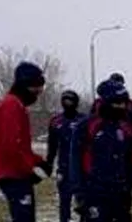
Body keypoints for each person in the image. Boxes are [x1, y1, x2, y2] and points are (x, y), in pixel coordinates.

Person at [0, 62, 51, 222]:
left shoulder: (17, 106)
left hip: (16, 173)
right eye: (36, 88)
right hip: (13, 174)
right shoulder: (11, 106)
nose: (38, 92)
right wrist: (30, 169)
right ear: (25, 85)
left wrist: (38, 162)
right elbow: (10, 146)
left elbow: (21, 146)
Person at [73, 79, 132, 222]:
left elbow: (128, 160)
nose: (121, 107)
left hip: (120, 193)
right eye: (117, 103)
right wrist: (80, 192)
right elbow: (75, 161)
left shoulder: (125, 127)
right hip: (95, 192)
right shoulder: (87, 126)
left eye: (124, 104)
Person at [46, 89, 88, 222]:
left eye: (70, 100)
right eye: (65, 100)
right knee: (64, 201)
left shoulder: (83, 120)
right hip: (63, 168)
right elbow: (52, 145)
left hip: (80, 168)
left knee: (83, 201)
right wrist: (49, 163)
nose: (68, 103)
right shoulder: (56, 121)